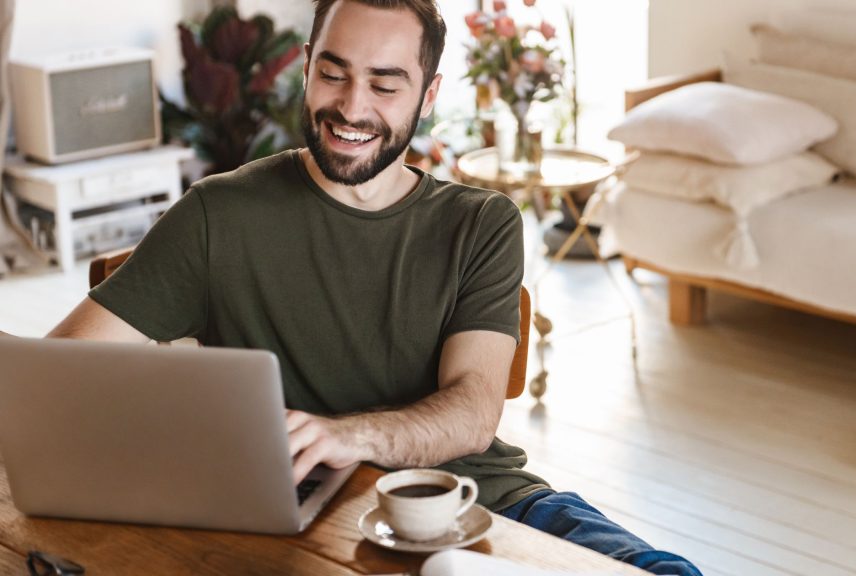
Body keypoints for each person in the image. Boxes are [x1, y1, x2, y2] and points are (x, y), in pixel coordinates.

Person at [46, 1, 701, 574]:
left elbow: (474, 413)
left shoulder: (480, 223)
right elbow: (59, 373)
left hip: (484, 503)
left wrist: (348, 436)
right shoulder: (219, 214)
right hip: (303, 522)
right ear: (305, 67)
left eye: (386, 85)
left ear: (429, 92)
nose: (352, 108)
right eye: (333, 74)